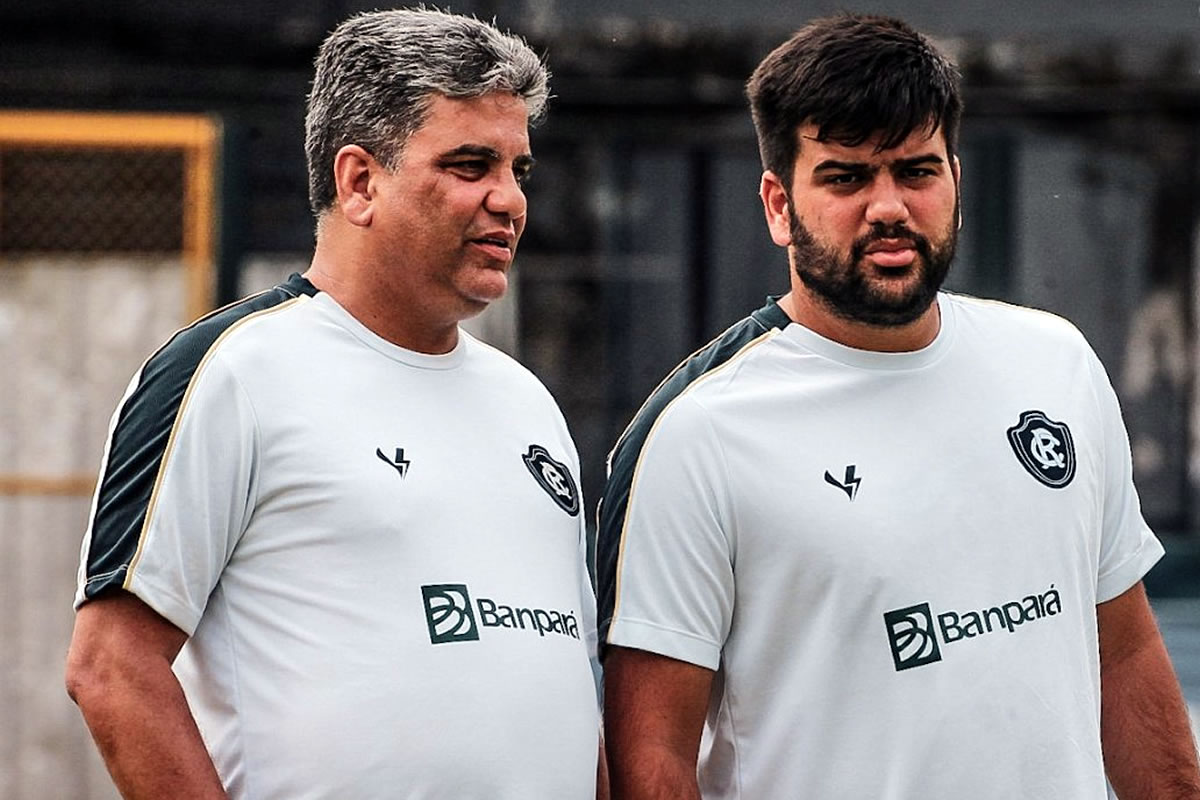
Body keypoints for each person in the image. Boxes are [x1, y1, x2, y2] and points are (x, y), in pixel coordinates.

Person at [596, 13, 1200, 800]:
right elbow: (652, 760)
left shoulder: (1057, 363)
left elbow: (1122, 651)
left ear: (955, 181)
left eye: (916, 172)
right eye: (846, 178)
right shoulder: (697, 434)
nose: (888, 207)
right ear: (778, 205)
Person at [66, 9, 605, 799]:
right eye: (470, 165)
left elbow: (568, 685)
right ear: (359, 182)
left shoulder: (528, 403)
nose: (510, 200)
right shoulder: (232, 371)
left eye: (517, 170)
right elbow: (112, 668)